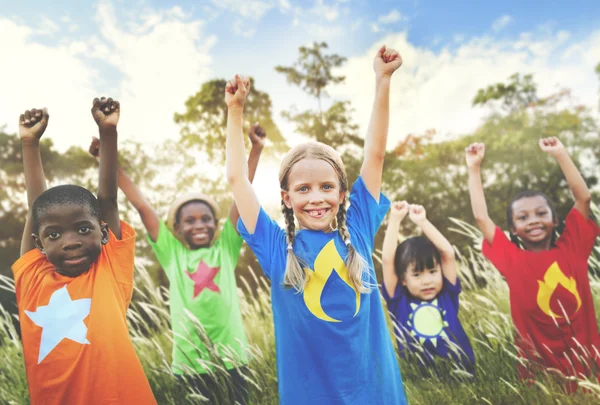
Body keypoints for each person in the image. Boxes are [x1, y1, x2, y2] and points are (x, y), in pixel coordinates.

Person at [225, 45, 407, 404]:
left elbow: (376, 153)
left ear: (342, 194)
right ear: (287, 198)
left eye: (327, 187)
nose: (316, 198)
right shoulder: (276, 247)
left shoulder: (359, 226)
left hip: (376, 393)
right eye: (303, 189)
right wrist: (235, 112)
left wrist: (382, 80)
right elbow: (236, 180)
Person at [88, 123, 266, 404]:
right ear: (177, 228)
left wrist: (256, 149)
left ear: (216, 224)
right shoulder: (172, 254)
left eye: (206, 219)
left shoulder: (226, 249)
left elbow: (241, 196)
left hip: (233, 359)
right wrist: (106, 161)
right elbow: (142, 205)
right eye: (190, 221)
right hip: (190, 364)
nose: (200, 225)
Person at [12, 99, 157, 404]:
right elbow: (35, 208)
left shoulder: (109, 268)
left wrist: (108, 131)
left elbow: (108, 200)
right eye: (54, 234)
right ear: (39, 244)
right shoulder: (33, 279)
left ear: (103, 232)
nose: (70, 241)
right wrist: (29, 144)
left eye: (82, 229)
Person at [466, 138, 600, 390]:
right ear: (513, 230)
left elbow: (583, 199)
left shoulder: (573, 247)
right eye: (523, 217)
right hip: (543, 381)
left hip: (591, 371)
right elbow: (480, 217)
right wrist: (474, 168)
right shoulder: (512, 260)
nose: (533, 221)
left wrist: (560, 154)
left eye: (541, 213)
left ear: (555, 220)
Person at [381, 201, 475, 375]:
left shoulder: (447, 294)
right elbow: (388, 261)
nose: (426, 281)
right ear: (403, 279)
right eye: (416, 275)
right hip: (421, 376)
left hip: (461, 372)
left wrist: (422, 221)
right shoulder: (398, 301)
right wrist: (394, 220)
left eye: (432, 271)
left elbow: (448, 254)